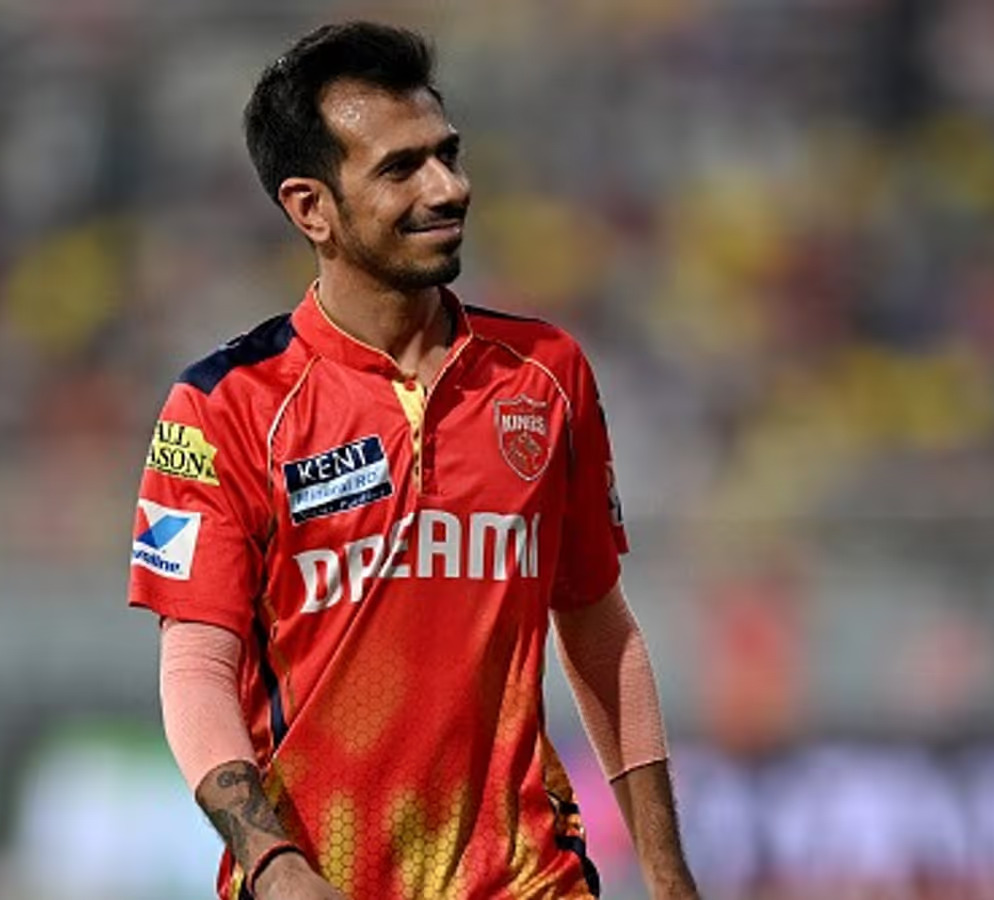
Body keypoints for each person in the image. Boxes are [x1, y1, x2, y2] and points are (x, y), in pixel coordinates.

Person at [127, 21, 699, 900]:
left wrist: (667, 875)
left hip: (527, 879)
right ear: (310, 206)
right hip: (319, 880)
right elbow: (196, 667)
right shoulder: (221, 407)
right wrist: (274, 866)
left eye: (448, 154)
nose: (449, 187)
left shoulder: (546, 376)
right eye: (401, 169)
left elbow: (598, 627)